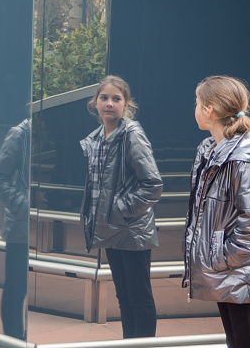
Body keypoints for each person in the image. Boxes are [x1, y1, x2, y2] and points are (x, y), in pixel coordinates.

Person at [80, 75, 163, 338]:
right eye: (104, 97)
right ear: (95, 103)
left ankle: (144, 345)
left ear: (126, 105)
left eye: (117, 98)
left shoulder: (132, 134)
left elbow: (152, 183)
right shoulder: (96, 139)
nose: (109, 103)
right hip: (110, 228)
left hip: (130, 228)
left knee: (138, 297)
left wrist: (120, 210)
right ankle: (130, 344)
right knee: (124, 296)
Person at [183, 75, 250, 348]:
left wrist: (225, 258)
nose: (196, 108)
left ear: (209, 110)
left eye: (198, 102)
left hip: (241, 272)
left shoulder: (244, 155)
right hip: (226, 270)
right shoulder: (210, 150)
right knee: (235, 340)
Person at [0, 118, 30, 340]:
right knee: (16, 288)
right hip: (21, 226)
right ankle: (12, 341)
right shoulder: (21, 132)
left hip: (47, 224)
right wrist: (24, 207)